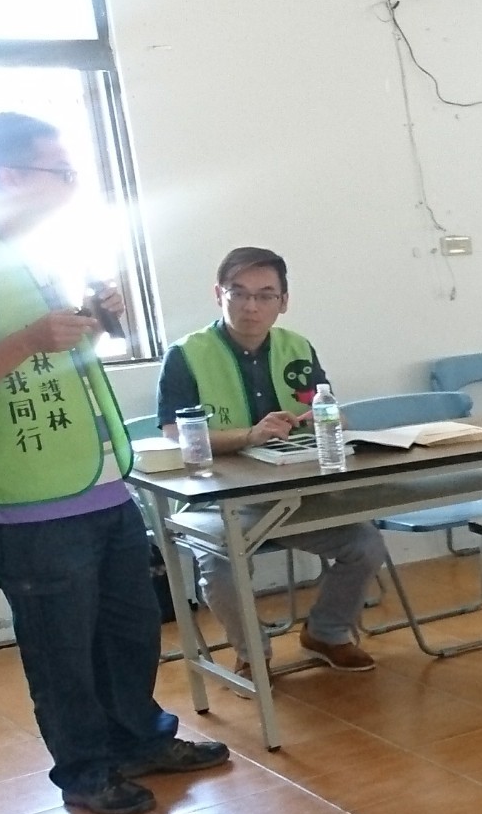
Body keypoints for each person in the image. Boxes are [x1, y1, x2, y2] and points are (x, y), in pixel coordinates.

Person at [0, 112, 227, 814]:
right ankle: (86, 771)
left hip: (99, 480)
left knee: (129, 628)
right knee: (62, 646)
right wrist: (32, 338)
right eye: (59, 171)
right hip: (26, 497)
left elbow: (68, 360)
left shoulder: (44, 255)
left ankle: (139, 740)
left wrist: (101, 315)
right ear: (9, 176)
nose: (71, 184)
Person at [156, 247, 386, 679]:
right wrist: (249, 435)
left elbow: (323, 406)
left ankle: (326, 633)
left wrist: (329, 418)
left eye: (265, 295)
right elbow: (174, 433)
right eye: (239, 293)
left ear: (284, 301)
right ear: (218, 295)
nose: (251, 306)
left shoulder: (296, 347)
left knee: (365, 544)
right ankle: (252, 652)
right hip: (219, 499)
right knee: (221, 562)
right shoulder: (187, 354)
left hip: (293, 494)